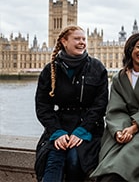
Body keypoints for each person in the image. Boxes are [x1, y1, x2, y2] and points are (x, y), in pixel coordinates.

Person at [90, 33, 139, 182]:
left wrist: (134, 127)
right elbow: (115, 109)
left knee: (118, 170)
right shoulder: (119, 78)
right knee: (107, 167)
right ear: (130, 49)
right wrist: (119, 132)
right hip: (122, 127)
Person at [34, 25, 109, 182]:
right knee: (53, 158)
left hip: (88, 128)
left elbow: (100, 105)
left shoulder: (96, 67)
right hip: (60, 127)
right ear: (64, 41)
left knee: (75, 160)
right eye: (77, 39)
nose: (82, 42)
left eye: (84, 39)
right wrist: (57, 132)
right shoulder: (51, 70)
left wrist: (83, 130)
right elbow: (42, 106)